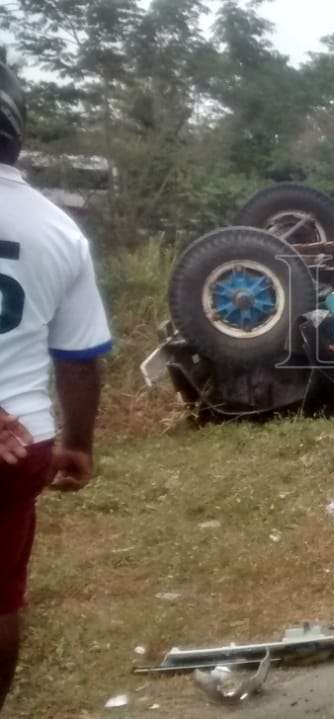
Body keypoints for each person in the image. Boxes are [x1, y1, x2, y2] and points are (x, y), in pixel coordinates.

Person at [0, 60, 111, 713]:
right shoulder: (59, 229)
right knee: (2, 595)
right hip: (21, 442)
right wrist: (77, 443)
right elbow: (77, 359)